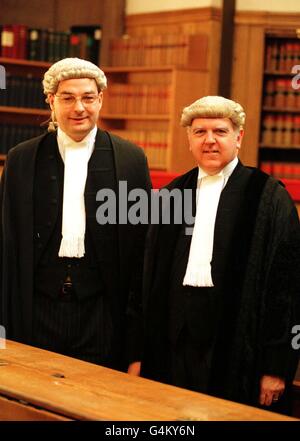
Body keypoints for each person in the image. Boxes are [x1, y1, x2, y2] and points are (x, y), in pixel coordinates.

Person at [140, 96, 300, 414]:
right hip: (175, 341)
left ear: (238, 137)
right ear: (189, 139)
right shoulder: (172, 194)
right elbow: (147, 278)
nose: (210, 140)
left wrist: (275, 367)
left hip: (237, 342)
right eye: (200, 132)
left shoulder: (268, 197)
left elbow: (287, 289)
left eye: (220, 131)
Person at [0, 58, 151, 373]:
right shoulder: (21, 160)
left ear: (100, 100)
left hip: (101, 313)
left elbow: (141, 256)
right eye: (68, 98)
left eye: (88, 97)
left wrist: (137, 342)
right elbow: (6, 246)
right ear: (51, 101)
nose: (78, 107)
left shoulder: (130, 160)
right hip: (36, 311)